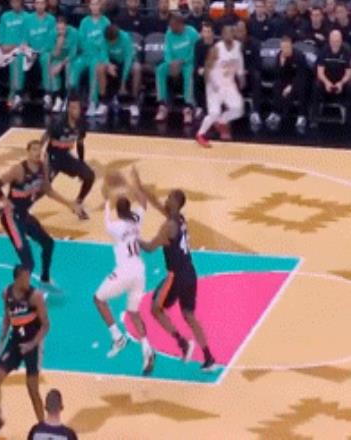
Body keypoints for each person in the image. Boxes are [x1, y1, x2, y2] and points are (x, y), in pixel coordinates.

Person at [132, 171, 216, 372]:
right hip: (190, 272)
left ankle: (182, 343)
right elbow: (156, 203)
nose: (166, 199)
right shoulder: (179, 219)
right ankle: (209, 357)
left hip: (176, 276)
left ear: (176, 203)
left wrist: (132, 238)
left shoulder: (168, 227)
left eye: (169, 197)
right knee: (189, 315)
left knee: (155, 309)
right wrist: (141, 188)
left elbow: (149, 247)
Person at [0, 140, 82, 282]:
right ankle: (17, 290)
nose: (37, 153)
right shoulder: (18, 170)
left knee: (48, 243)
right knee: (28, 263)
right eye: (34, 149)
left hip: (24, 215)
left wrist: (69, 204)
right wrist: (4, 200)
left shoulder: (43, 168)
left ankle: (45, 278)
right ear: (27, 152)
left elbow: (48, 190)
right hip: (11, 218)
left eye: (39, 150)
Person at [93, 170, 154, 375]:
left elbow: (107, 214)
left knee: (98, 299)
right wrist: (135, 184)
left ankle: (117, 337)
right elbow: (143, 202)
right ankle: (146, 348)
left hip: (125, 272)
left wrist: (107, 198)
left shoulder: (114, 227)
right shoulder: (136, 220)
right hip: (140, 272)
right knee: (133, 313)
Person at [0, 266, 50, 440]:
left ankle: (44, 429)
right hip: (15, 341)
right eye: (25, 278)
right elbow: (7, 316)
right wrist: (1, 339)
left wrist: (31, 344)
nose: (28, 281)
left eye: (29, 277)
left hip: (33, 342)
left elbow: (46, 325)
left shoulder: (35, 296)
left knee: (32, 389)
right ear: (17, 279)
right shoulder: (7, 293)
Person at [41, 93, 95, 220]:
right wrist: (40, 156)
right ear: (68, 109)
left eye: (78, 107)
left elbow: (80, 143)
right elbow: (44, 137)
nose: (76, 110)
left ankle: (78, 203)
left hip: (65, 157)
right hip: (52, 158)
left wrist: (81, 162)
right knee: (40, 187)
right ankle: (15, 205)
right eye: (73, 107)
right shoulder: (58, 123)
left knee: (89, 175)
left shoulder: (81, 123)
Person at [196, 25, 244, 147]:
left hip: (229, 84)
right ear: (222, 35)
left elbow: (239, 63)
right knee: (214, 113)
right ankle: (200, 134)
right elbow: (207, 67)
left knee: (238, 109)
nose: (228, 35)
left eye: (230, 33)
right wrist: (211, 84)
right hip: (215, 84)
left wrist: (241, 77)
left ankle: (222, 121)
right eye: (225, 33)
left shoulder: (238, 46)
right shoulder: (216, 49)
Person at [155, 14, 199, 124]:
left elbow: (196, 51)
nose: (170, 27)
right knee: (160, 69)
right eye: (170, 25)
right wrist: (171, 63)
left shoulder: (192, 32)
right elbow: (167, 52)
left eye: (173, 25)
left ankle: (188, 108)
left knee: (189, 73)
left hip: (187, 63)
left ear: (181, 24)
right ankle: (162, 105)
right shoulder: (169, 33)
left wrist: (182, 61)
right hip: (173, 63)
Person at [70, 0, 110, 117]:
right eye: (92, 4)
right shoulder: (84, 22)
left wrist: (104, 59)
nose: (95, 7)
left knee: (94, 68)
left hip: (98, 56)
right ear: (89, 7)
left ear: (100, 6)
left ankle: (93, 102)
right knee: (75, 66)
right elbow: (81, 40)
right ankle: (73, 101)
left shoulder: (106, 22)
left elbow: (106, 44)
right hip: (85, 55)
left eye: (97, 4)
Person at [312, 29, 351, 127]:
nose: (335, 43)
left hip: (341, 81)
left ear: (341, 41)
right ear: (329, 41)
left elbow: (349, 73)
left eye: (337, 41)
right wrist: (327, 83)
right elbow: (320, 72)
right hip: (327, 80)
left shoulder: (346, 51)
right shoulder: (323, 51)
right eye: (333, 41)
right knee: (316, 84)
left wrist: (341, 83)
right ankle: (314, 117)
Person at [265, 36, 308, 133]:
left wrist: (290, 86)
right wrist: (282, 64)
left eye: (287, 47)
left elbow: (301, 75)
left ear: (291, 46)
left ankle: (301, 116)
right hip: (285, 79)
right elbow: (278, 74)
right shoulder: (279, 56)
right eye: (283, 48)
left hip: (299, 80)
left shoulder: (299, 56)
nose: (285, 50)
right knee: (277, 85)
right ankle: (275, 113)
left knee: (299, 87)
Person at [98, 24, 141, 118]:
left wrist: (123, 83)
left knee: (137, 68)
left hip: (126, 62)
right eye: (109, 42)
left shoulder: (125, 38)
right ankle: (103, 102)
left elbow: (128, 60)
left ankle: (134, 102)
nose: (111, 44)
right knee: (100, 68)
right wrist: (108, 65)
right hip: (112, 61)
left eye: (112, 41)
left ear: (117, 37)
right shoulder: (104, 38)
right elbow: (103, 54)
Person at [23, 0, 57, 111]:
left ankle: (47, 94)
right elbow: (25, 39)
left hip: (45, 51)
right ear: (34, 5)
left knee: (46, 59)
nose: (40, 5)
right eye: (37, 3)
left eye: (42, 3)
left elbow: (51, 40)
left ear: (45, 5)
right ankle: (19, 93)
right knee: (20, 58)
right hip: (31, 51)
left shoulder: (51, 20)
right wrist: (28, 50)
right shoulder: (28, 19)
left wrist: (39, 52)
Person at [0, 0, 30, 109]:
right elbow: (0, 35)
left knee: (16, 57)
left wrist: (13, 46)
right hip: (4, 48)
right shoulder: (5, 16)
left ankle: (15, 92)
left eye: (17, 1)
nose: (15, 4)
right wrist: (2, 46)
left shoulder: (27, 17)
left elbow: (27, 38)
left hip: (20, 49)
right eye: (13, 2)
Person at [235, 19, 263, 130]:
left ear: (246, 31)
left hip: (250, 74)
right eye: (238, 30)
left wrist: (246, 70)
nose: (239, 32)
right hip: (236, 74)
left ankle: (255, 112)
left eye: (242, 30)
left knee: (257, 76)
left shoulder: (255, 43)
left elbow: (258, 63)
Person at [50, 16, 79, 112]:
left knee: (68, 66)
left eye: (62, 29)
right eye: (58, 29)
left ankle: (67, 98)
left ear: (67, 26)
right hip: (59, 57)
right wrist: (59, 44)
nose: (60, 31)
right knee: (53, 66)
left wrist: (61, 65)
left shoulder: (74, 33)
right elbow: (54, 54)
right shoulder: (53, 33)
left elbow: (73, 53)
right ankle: (58, 98)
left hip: (71, 58)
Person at [193, 20, 216, 120]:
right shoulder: (198, 44)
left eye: (208, 31)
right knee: (196, 75)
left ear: (212, 33)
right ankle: (199, 107)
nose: (206, 34)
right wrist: (199, 69)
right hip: (203, 71)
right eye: (204, 31)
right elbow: (197, 62)